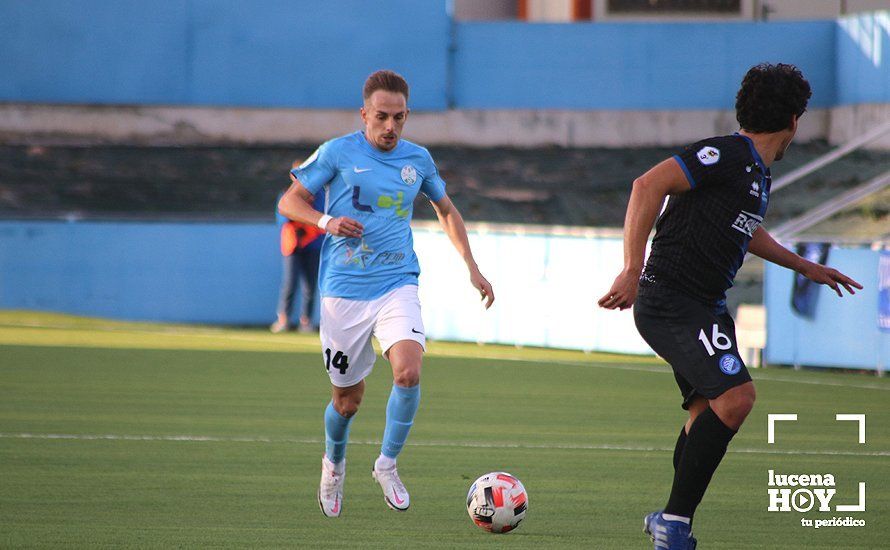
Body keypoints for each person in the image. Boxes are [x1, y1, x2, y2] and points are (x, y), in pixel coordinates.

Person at [598, 63, 862, 549]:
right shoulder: (723, 154)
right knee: (738, 398)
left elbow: (745, 227)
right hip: (671, 300)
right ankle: (674, 526)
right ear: (794, 121)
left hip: (705, 305)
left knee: (706, 413)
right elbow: (646, 186)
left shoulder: (755, 175)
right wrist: (632, 268)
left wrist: (804, 266)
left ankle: (671, 519)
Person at [278, 69, 494, 518]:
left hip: (398, 282)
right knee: (347, 400)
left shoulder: (419, 160)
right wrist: (326, 222)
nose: (390, 126)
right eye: (381, 116)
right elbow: (289, 201)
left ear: (407, 116)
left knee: (409, 372)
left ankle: (386, 464)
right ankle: (333, 465)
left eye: (398, 117)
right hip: (343, 292)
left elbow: (446, 209)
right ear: (364, 115)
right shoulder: (337, 152)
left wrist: (472, 266)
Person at [271, 160, 325, 333]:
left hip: (314, 244)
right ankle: (283, 319)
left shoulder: (319, 195)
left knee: (310, 284)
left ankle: (306, 321)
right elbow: (283, 217)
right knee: (290, 282)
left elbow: (323, 216)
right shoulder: (287, 194)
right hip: (293, 245)